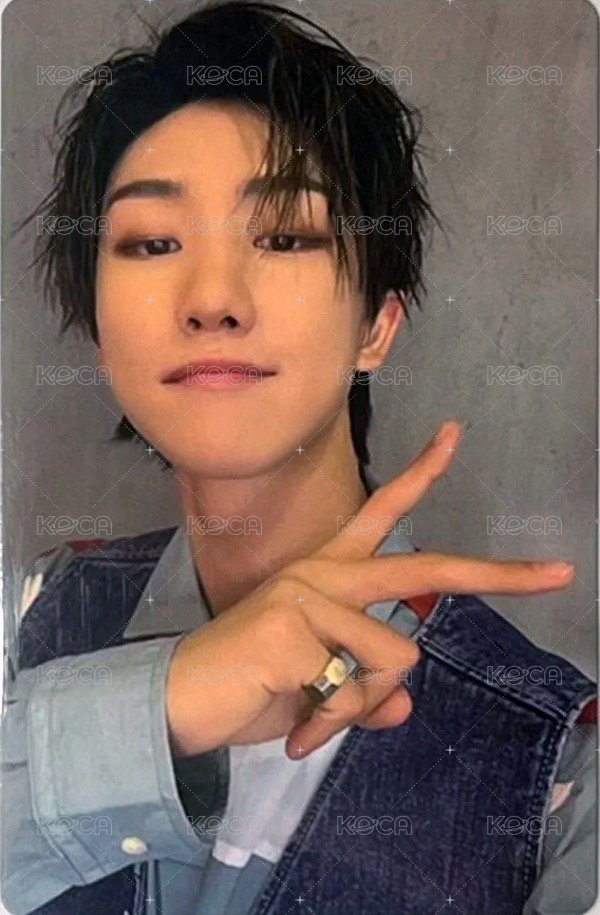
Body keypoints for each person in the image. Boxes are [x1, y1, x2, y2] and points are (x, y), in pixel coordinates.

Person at [2, 2, 596, 913]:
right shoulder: (26, 615)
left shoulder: (559, 767)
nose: (212, 299)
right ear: (98, 337)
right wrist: (162, 705)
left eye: (284, 236)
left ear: (377, 326)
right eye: (152, 242)